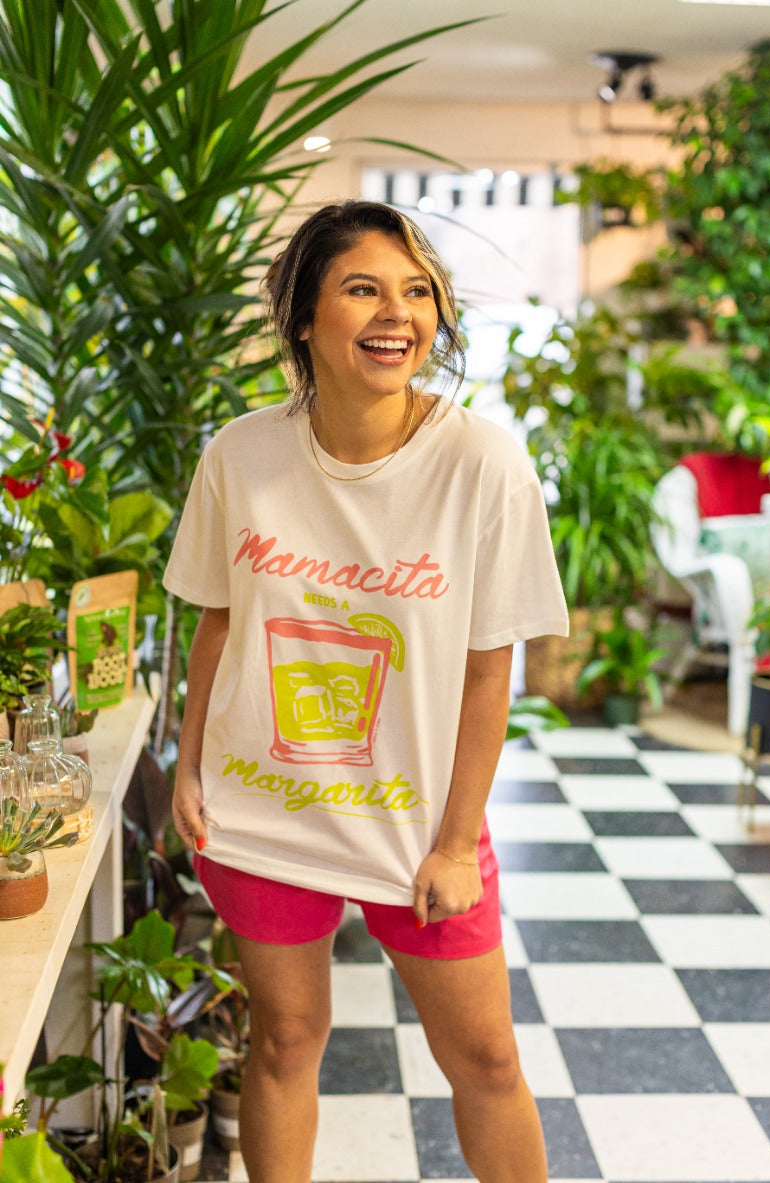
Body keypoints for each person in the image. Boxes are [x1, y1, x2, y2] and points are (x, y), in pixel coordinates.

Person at [164, 199, 568, 1183]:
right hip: (264, 804)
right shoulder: (240, 455)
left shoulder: (482, 464)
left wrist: (456, 843)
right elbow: (218, 621)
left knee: (485, 1060)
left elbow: (489, 668)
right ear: (304, 316)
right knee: (283, 1041)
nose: (398, 313)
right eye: (363, 288)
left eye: (416, 291)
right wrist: (188, 763)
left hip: (418, 820)